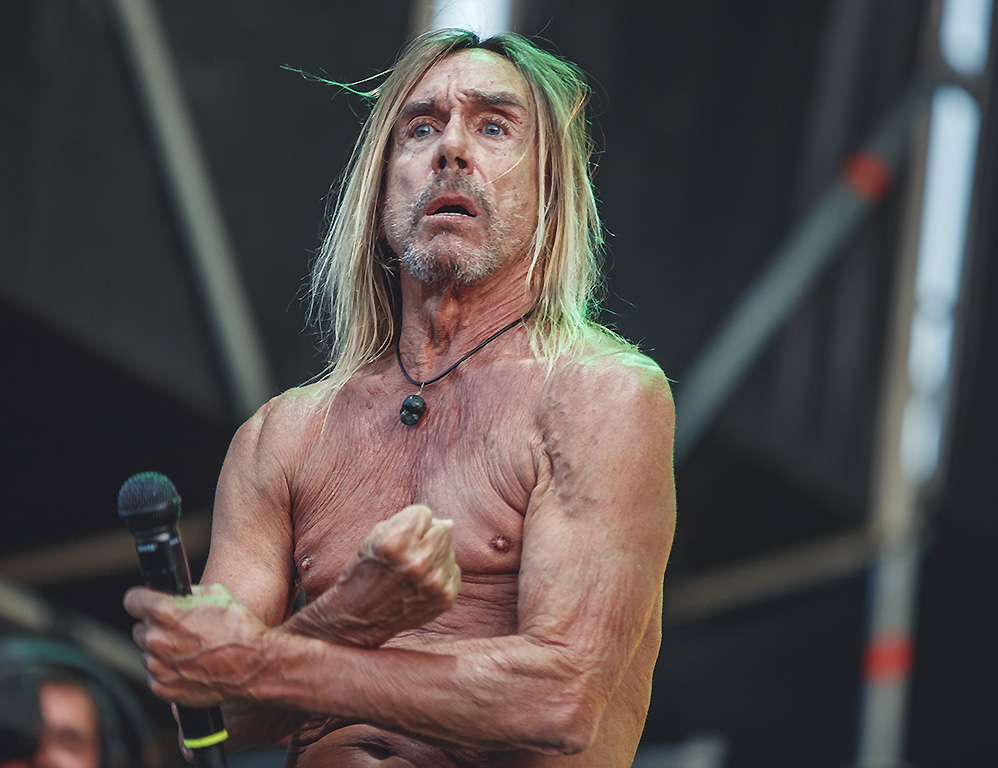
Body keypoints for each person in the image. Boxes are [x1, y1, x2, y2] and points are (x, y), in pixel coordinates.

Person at [123, 28, 676, 767]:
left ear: (549, 188)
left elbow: (560, 699)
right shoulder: (283, 435)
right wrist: (349, 618)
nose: (451, 149)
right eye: (421, 128)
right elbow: (205, 712)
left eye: (492, 125)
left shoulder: (601, 396)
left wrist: (276, 657)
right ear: (382, 189)